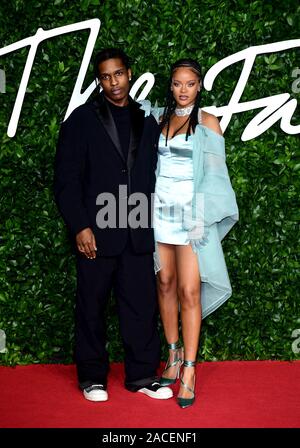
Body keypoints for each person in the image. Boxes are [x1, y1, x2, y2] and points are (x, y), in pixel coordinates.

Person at [53, 48, 173, 402]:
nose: (113, 82)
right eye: (105, 76)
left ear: (129, 73)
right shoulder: (81, 120)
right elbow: (66, 179)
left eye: (118, 74)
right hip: (96, 231)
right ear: (99, 80)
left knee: (140, 304)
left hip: (136, 226)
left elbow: (153, 174)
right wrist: (79, 226)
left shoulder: (145, 119)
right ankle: (92, 377)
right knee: (91, 305)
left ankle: (141, 375)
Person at [153, 58, 239, 408]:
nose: (183, 89)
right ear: (170, 85)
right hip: (157, 214)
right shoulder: (157, 117)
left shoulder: (208, 122)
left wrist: (201, 217)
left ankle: (189, 368)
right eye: (177, 83)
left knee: (190, 290)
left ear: (199, 85)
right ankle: (172, 355)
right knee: (164, 283)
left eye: (190, 83)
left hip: (192, 217)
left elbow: (217, 178)